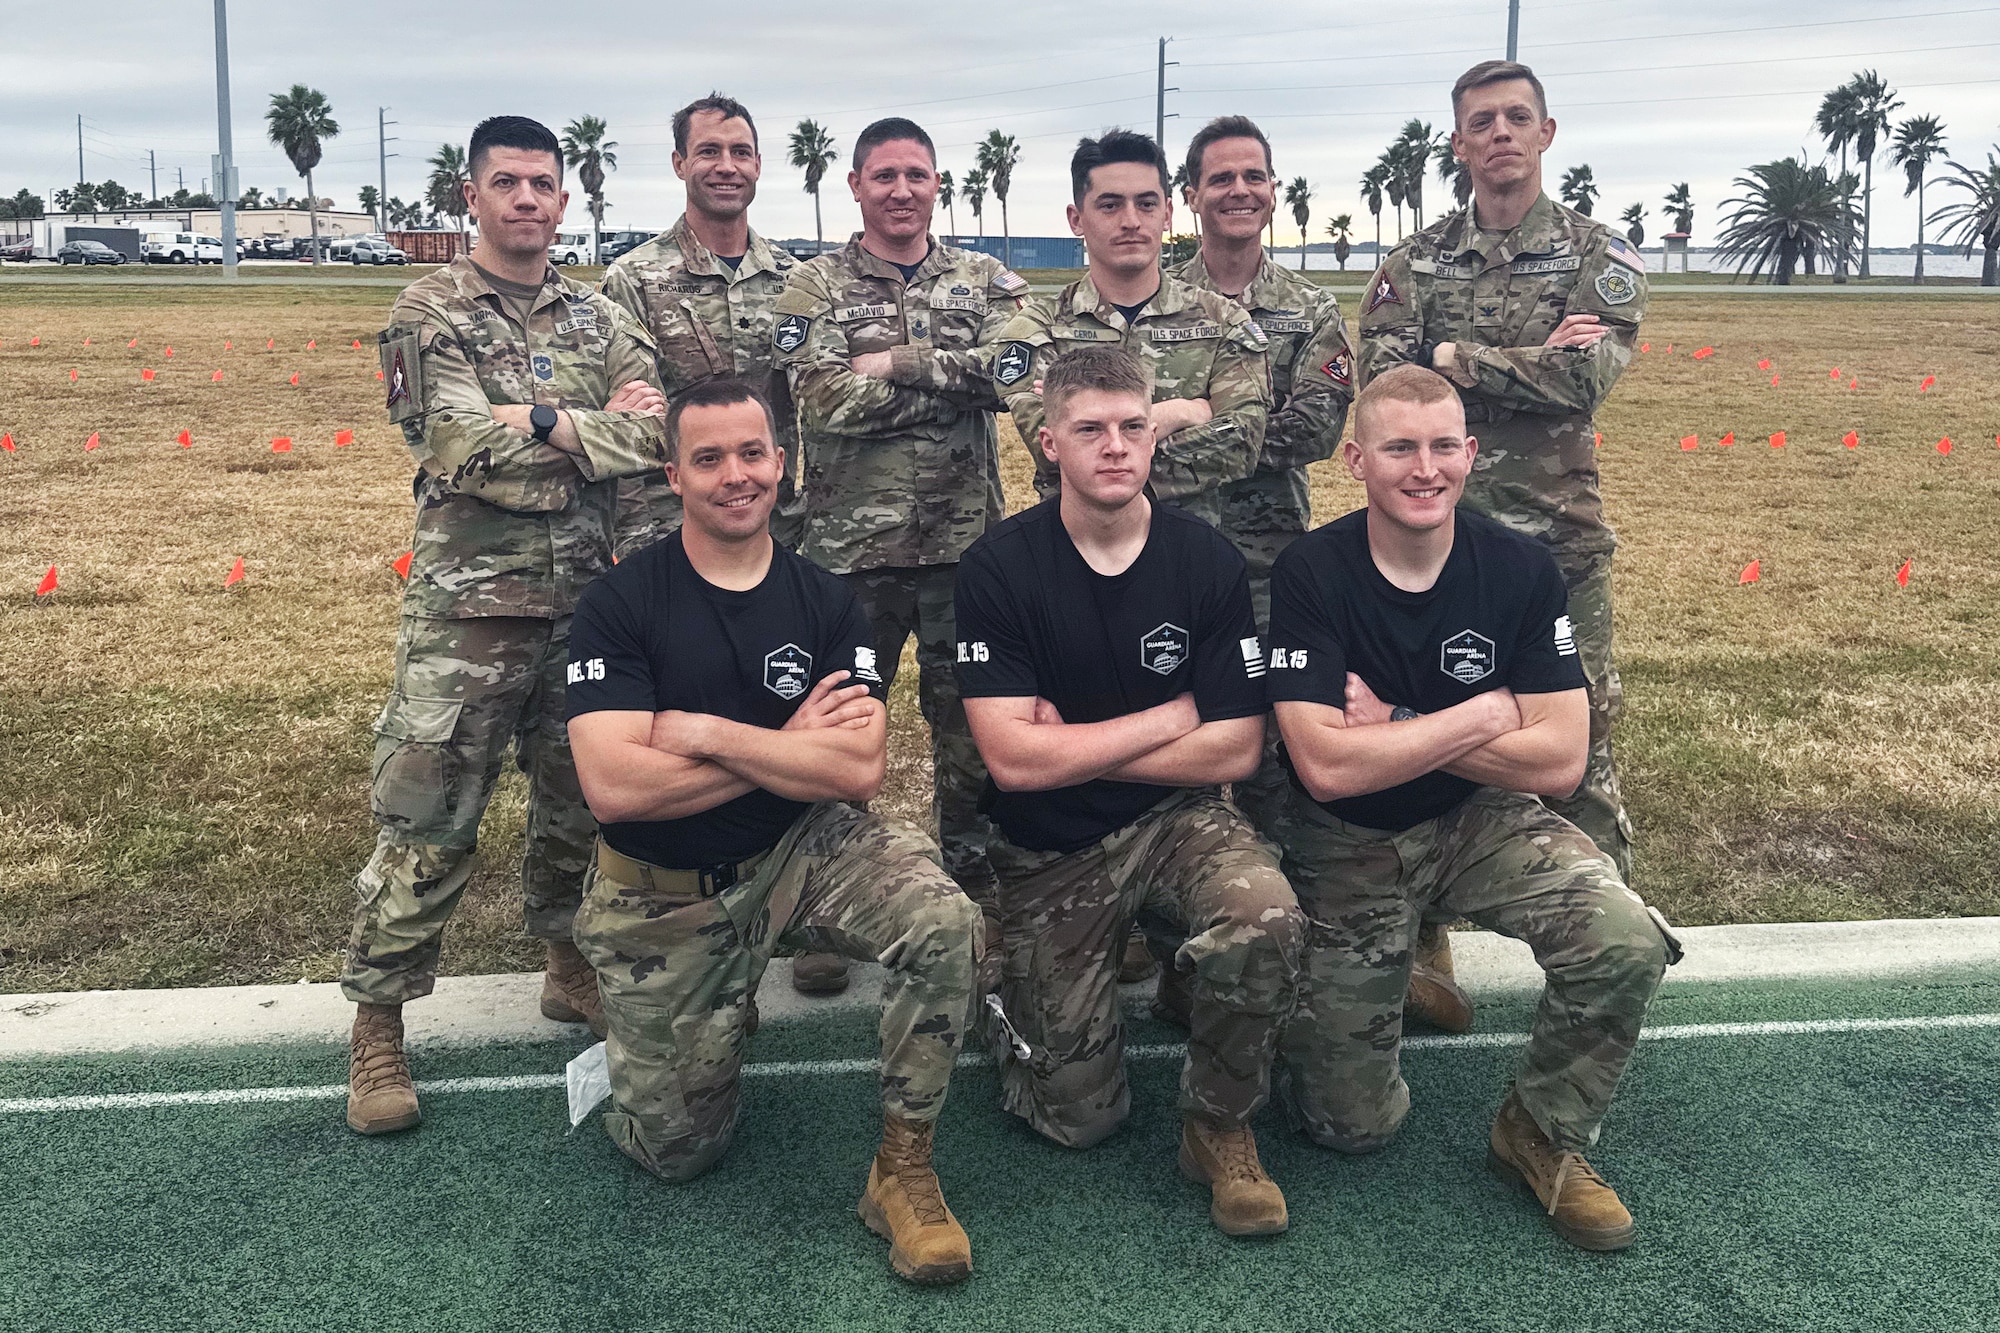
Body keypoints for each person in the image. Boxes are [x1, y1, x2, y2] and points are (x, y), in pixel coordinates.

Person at [564, 376, 981, 1285]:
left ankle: (901, 1168)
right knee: (677, 1151)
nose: (734, 475)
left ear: (781, 466)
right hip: (666, 890)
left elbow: (855, 767)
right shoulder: (620, 603)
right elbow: (614, 787)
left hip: (805, 846)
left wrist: (711, 733)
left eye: (751, 453)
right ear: (673, 474)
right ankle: (668, 1032)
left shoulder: (827, 601)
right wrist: (786, 747)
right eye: (708, 458)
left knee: (945, 920)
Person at [1263, 363, 1677, 1251]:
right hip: (1351, 841)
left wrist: (1407, 723)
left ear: (1472, 454)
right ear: (1355, 461)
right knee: (1345, 1128)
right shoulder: (1310, 572)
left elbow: (1561, 758)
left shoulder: (1519, 567)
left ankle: (1542, 1132)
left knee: (1624, 934)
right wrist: (1487, 714)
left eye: (1444, 446)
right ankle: (1389, 969)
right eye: (1401, 447)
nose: (1426, 469)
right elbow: (1327, 766)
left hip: (1478, 819)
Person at [343, 116, 669, 1136]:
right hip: (467, 617)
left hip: (585, 603)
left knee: (580, 803)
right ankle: (378, 1024)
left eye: (542, 184)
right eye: (507, 183)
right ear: (469, 196)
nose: (527, 199)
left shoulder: (594, 309)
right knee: (429, 817)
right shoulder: (427, 308)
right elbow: (457, 449)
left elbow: (663, 431)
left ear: (563, 201)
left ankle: (565, 962)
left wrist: (533, 417)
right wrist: (585, 431)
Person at [955, 346, 1303, 1237]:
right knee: (1079, 1119)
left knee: (1265, 914)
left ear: (1154, 437)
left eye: (1132, 427)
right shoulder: (997, 567)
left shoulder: (1206, 560)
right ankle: (999, 975)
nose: (1115, 447)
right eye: (1091, 430)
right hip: (1048, 846)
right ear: (1048, 445)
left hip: (1177, 821)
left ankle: (1219, 1125)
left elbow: (1236, 744)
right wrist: (1172, 713)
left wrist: (1069, 741)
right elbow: (1014, 766)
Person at [1358, 59, 1650, 1028]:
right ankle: (1423, 942)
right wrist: (1515, 362)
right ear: (1456, 141)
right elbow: (1381, 388)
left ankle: (1599, 954)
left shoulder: (1592, 255)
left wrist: (1447, 356)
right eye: (1479, 120)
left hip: (1555, 548)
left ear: (1545, 132)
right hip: (1432, 555)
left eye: (1514, 118)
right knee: (1428, 735)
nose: (1497, 134)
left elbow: (1583, 380)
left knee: (1581, 750)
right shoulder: (1415, 263)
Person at [993, 127, 1273, 985]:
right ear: (1076, 216)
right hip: (1071, 576)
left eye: (1146, 201)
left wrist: (1115, 443)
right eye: (1109, 203)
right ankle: (1032, 914)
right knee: (1041, 742)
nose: (1130, 220)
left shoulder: (1228, 321)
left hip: (1194, 574)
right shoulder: (1032, 322)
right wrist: (1178, 410)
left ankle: (1188, 920)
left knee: (1222, 753)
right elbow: (1045, 447)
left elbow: (1247, 440)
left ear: (1170, 210)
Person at [771, 116, 1029, 991]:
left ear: (936, 184)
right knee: (840, 729)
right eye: (883, 175)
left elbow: (1017, 370)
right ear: (854, 185)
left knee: (972, 734)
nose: (901, 190)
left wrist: (896, 363)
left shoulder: (984, 277)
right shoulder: (812, 284)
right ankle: (826, 905)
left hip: (968, 552)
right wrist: (953, 381)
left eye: (916, 174)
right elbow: (823, 401)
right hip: (849, 556)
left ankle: (975, 887)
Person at [601, 92, 805, 558]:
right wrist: (635, 542)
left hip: (781, 527)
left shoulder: (794, 279)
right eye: (709, 151)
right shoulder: (636, 280)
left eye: (740, 152)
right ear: (679, 163)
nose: (727, 166)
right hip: (673, 531)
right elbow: (628, 421)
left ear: (758, 164)